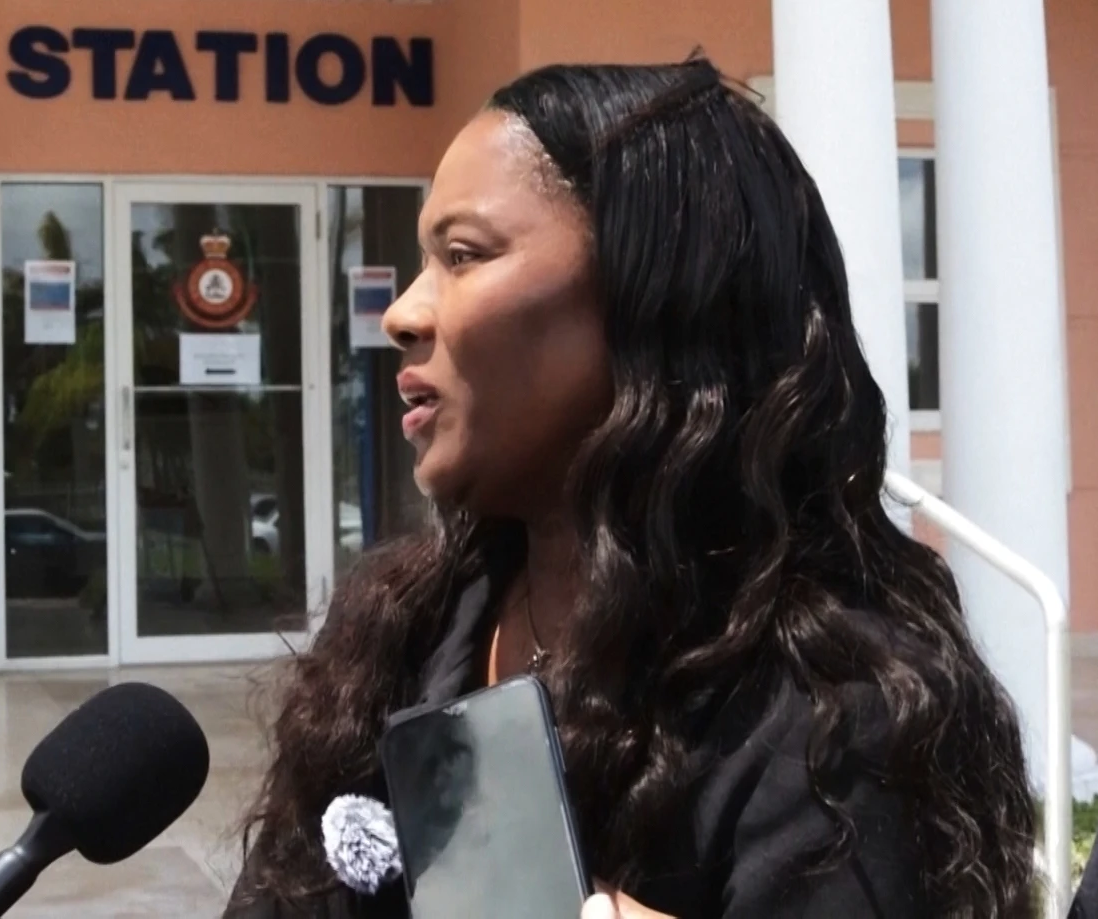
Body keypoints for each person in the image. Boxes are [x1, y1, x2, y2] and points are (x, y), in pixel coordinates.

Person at [223, 57, 1038, 919]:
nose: (403, 312)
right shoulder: (399, 633)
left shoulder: (837, 724)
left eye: (463, 255)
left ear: (656, 297)